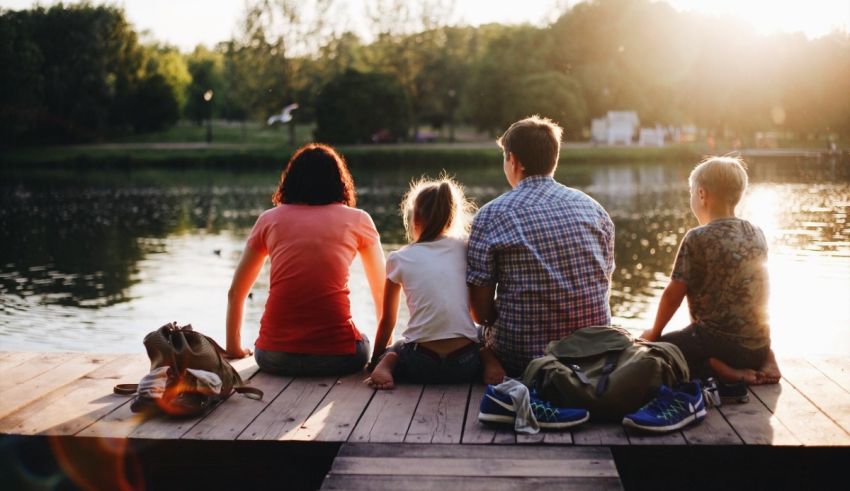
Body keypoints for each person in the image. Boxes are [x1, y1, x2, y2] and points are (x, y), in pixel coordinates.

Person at [467, 115, 615, 382]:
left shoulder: (491, 215)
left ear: (514, 161)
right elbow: (603, 283)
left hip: (525, 356)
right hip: (595, 350)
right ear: (553, 159)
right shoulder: (595, 209)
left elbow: (481, 313)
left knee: (469, 336)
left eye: (505, 158)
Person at [224, 143, 385, 376]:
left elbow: (235, 293)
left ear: (290, 181)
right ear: (339, 181)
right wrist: (382, 354)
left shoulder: (268, 220)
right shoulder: (359, 220)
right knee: (365, 340)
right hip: (340, 358)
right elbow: (382, 293)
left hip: (271, 356)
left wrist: (234, 349)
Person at [641, 156, 781, 385]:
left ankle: (720, 370)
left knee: (659, 354)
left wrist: (654, 333)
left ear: (702, 195)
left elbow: (673, 294)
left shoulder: (698, 237)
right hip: (758, 344)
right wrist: (762, 347)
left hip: (719, 346)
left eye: (691, 193)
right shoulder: (756, 232)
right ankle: (767, 357)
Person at [366, 177, 481, 389]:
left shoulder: (398, 258)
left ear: (415, 218)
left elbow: (388, 321)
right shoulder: (467, 248)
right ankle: (490, 361)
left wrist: (375, 359)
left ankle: (387, 363)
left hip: (421, 365)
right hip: (466, 363)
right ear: (451, 217)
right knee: (481, 334)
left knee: (400, 344)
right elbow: (475, 313)